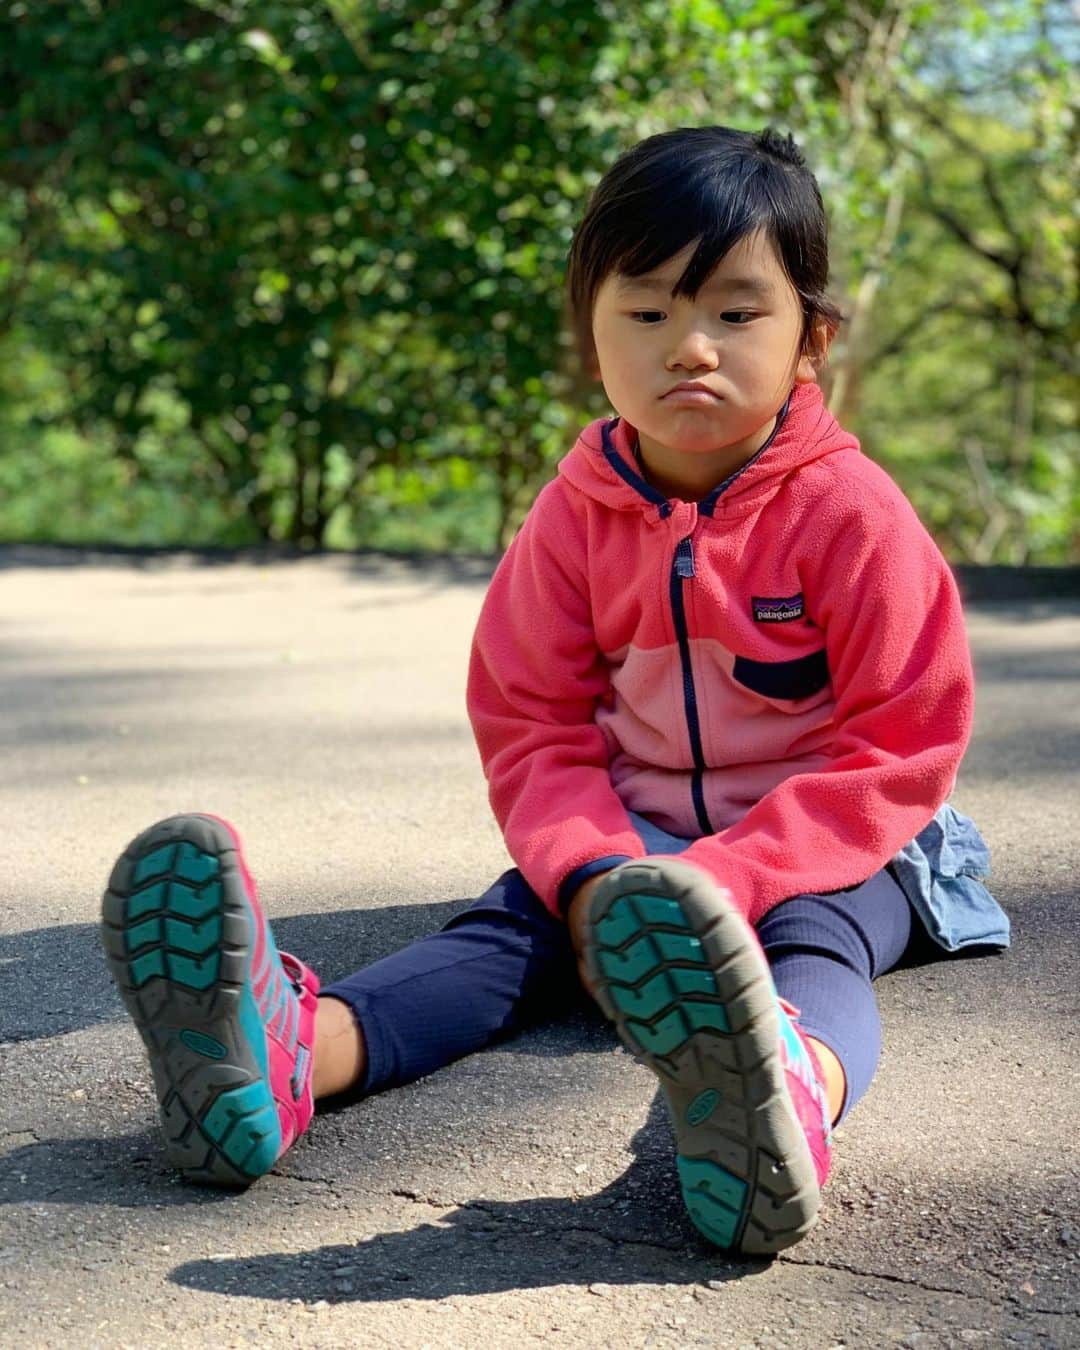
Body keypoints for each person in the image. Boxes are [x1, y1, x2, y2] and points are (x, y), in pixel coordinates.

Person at [100, 126, 1009, 1257]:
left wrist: (722, 880)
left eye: (735, 313)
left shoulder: (852, 514)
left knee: (818, 951)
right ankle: (281, 1060)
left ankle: (783, 1096)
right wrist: (586, 874)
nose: (690, 347)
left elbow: (901, 744)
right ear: (591, 331)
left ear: (811, 337)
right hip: (625, 849)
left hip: (833, 846)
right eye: (646, 313)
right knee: (495, 943)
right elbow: (533, 721)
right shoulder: (574, 517)